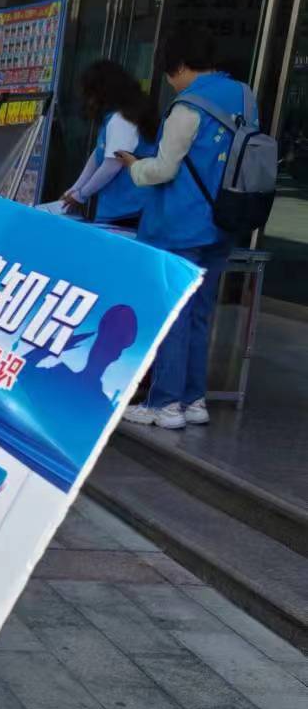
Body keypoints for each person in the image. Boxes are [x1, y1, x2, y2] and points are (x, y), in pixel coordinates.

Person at [116, 27, 249, 431]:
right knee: (199, 316)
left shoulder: (187, 106)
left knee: (173, 314)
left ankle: (165, 405)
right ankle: (194, 400)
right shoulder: (244, 96)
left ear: (179, 66)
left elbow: (164, 168)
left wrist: (133, 166)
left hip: (180, 226)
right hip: (223, 223)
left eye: (169, 73)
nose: (170, 82)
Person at [61, 60, 158, 228]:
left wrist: (81, 195)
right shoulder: (118, 117)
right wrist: (75, 189)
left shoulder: (121, 120)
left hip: (128, 210)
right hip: (123, 209)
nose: (88, 102)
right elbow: (98, 155)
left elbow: (112, 164)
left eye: (89, 95)